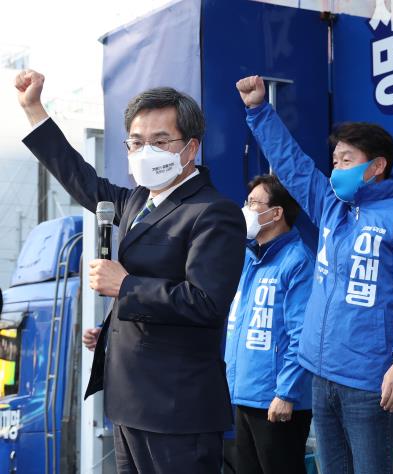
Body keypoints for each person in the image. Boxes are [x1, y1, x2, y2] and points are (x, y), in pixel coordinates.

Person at [16, 69, 245, 473]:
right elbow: (80, 178)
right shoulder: (139, 200)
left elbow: (205, 302)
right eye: (136, 142)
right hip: (130, 403)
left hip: (177, 410)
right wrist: (35, 110)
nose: (145, 152)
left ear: (190, 149)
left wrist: (125, 285)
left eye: (160, 141)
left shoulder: (214, 212)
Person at [236, 75, 393, 474]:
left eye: (346, 160)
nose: (336, 169)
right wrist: (259, 111)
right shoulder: (333, 208)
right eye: (334, 161)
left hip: (369, 382)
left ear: (377, 166)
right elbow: (293, 167)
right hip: (321, 373)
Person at [224, 174, 314, 474]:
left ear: (276, 213)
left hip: (277, 402)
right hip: (247, 396)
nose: (246, 209)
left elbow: (302, 336)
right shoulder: (249, 259)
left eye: (253, 203)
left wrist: (287, 393)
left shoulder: (297, 261)